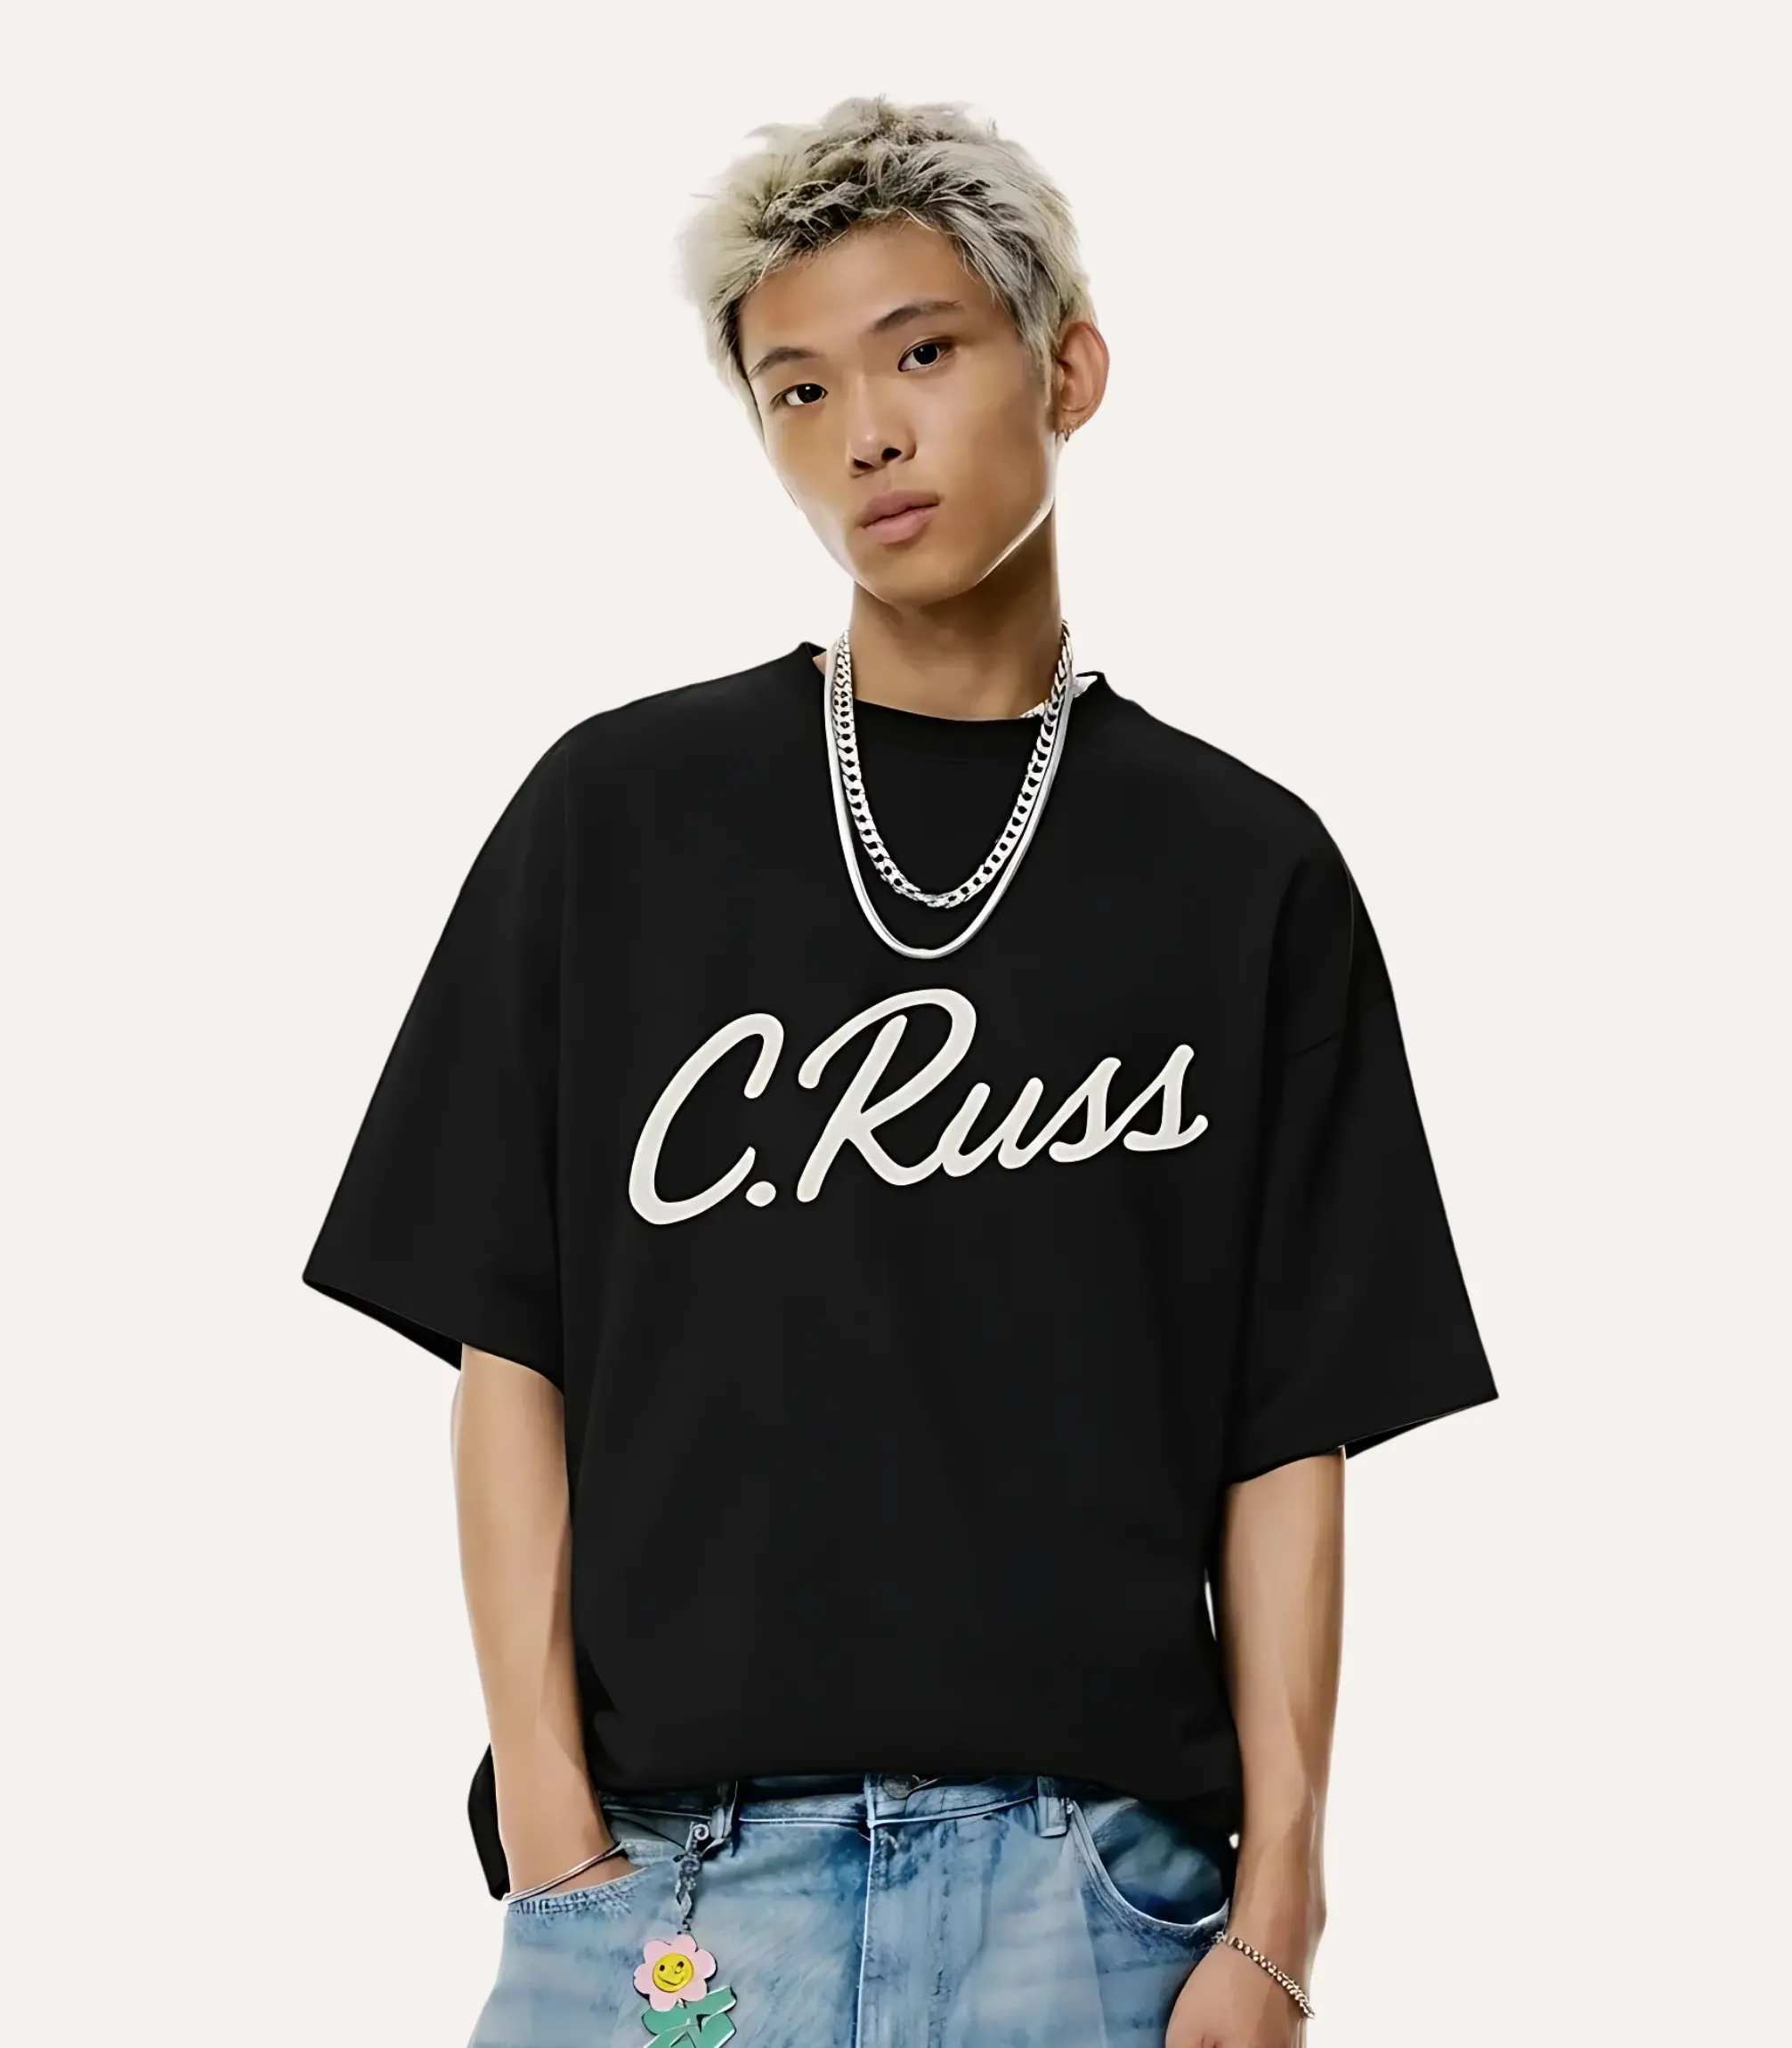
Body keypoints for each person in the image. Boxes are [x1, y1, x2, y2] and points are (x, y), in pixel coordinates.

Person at [301, 92, 1498, 2048]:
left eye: (922, 353)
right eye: (796, 389)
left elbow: (1292, 1422)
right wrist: (554, 1823)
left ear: (1069, 368)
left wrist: (1280, 1905)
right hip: (678, 1890)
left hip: (1092, 1902)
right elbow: (507, 1340)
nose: (863, 432)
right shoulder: (622, 816)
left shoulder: (1241, 870)